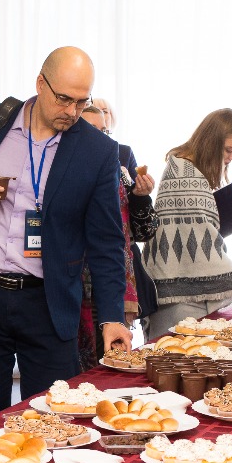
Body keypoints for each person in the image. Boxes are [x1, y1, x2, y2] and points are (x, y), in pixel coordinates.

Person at [0, 47, 131, 425]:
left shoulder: (98, 151)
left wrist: (111, 317)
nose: (72, 111)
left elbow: (107, 242)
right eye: (64, 99)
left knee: (55, 418)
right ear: (40, 84)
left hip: (48, 302)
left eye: (82, 101)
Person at [142, 109, 232, 338]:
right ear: (212, 142)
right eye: (229, 150)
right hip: (180, 301)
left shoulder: (184, 166)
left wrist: (231, 200)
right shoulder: (186, 174)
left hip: (179, 292)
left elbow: (189, 222)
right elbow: (202, 239)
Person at [76, 104, 157, 369]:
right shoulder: (63, 171)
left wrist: (141, 198)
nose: (100, 137)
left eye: (104, 131)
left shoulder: (119, 171)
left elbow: (146, 231)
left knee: (111, 363)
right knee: (78, 367)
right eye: (91, 129)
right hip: (74, 283)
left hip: (112, 281)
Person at [94, 98, 160, 321]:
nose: (102, 115)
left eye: (105, 111)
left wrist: (141, 196)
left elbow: (143, 229)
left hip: (118, 263)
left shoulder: (121, 154)